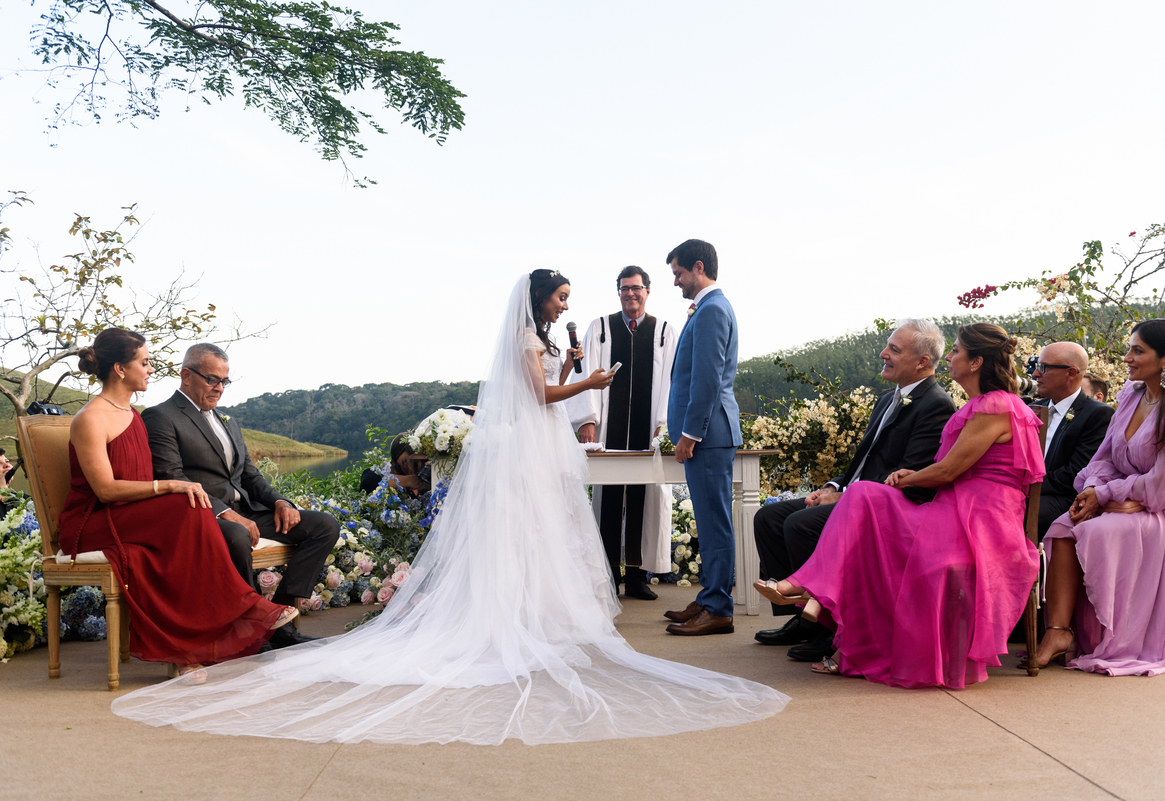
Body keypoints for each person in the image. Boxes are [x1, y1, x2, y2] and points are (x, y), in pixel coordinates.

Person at [111, 271, 788, 745]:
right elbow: (537, 396)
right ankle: (260, 622)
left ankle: (281, 614)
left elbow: (247, 470)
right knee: (524, 536)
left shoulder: (549, 338)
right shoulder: (528, 341)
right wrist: (591, 381)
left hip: (536, 450)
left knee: (538, 539)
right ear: (539, 300)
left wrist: (276, 497)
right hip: (525, 447)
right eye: (560, 294)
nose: (565, 302)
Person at [764, 323, 1046, 688]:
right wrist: (908, 476)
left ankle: (810, 592)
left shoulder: (994, 405)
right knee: (863, 496)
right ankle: (820, 604)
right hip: (956, 503)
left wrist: (905, 477)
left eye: (957, 351)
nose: (952, 358)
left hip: (982, 518)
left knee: (867, 497)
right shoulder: (980, 404)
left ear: (976, 362)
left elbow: (948, 469)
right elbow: (950, 469)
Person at [57, 329, 297, 678]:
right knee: (187, 506)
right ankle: (243, 609)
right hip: (93, 522)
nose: (151, 369)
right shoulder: (91, 418)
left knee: (192, 509)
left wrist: (177, 489)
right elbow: (106, 491)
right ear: (121, 369)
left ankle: (194, 647)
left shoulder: (133, 415)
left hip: (129, 516)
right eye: (145, 362)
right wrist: (169, 485)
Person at [752, 319, 956, 659]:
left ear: (922, 361)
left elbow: (908, 475)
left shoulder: (935, 404)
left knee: (800, 524)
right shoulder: (886, 400)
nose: (883, 354)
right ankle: (800, 619)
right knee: (769, 517)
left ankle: (828, 629)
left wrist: (844, 497)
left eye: (894, 349)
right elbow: (862, 461)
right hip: (853, 495)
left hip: (886, 506)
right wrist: (832, 485)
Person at [142, 344, 339, 649]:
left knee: (324, 526)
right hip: (203, 513)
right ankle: (249, 631)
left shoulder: (228, 421)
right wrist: (224, 512)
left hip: (248, 510)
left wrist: (280, 502)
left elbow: (249, 474)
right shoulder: (160, 416)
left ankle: (278, 621)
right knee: (236, 535)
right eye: (212, 379)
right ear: (186, 375)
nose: (220, 388)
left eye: (224, 381)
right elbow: (172, 476)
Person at [1035, 319, 1165, 675]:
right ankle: (1058, 632)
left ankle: (1110, 639)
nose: (1127, 357)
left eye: (1137, 350)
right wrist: (1094, 489)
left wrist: (1107, 493)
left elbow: (1163, 488)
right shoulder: (1130, 394)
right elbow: (1104, 457)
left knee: (1094, 532)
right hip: (1124, 500)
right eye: (1128, 348)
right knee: (1064, 526)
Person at [568, 265, 678, 600]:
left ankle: (636, 577)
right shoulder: (600, 328)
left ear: (648, 290)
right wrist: (587, 418)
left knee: (647, 499)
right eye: (624, 288)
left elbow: (673, 381)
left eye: (637, 288)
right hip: (608, 430)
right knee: (608, 500)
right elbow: (583, 372)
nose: (631, 293)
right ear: (618, 291)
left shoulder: (664, 332)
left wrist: (665, 422)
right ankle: (607, 575)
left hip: (649, 431)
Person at [661, 239, 742, 636]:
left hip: (708, 435)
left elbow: (708, 379)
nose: (676, 282)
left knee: (715, 522)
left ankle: (718, 608)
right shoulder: (708, 308)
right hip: (707, 435)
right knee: (709, 521)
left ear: (697, 267)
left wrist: (690, 434)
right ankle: (710, 596)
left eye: (678, 273)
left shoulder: (712, 309)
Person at [1028, 342, 1114, 538]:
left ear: (1071, 373)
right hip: (1026, 491)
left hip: (1061, 498)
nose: (1035, 374)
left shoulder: (1098, 414)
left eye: (1043, 367)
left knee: (1009, 516)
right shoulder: (1033, 408)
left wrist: (1027, 486)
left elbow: (1076, 473)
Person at [359, 436, 430, 497]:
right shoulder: (391, 476)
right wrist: (409, 481)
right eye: (404, 462)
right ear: (395, 463)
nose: (410, 468)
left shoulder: (428, 476)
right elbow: (368, 480)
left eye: (415, 462)